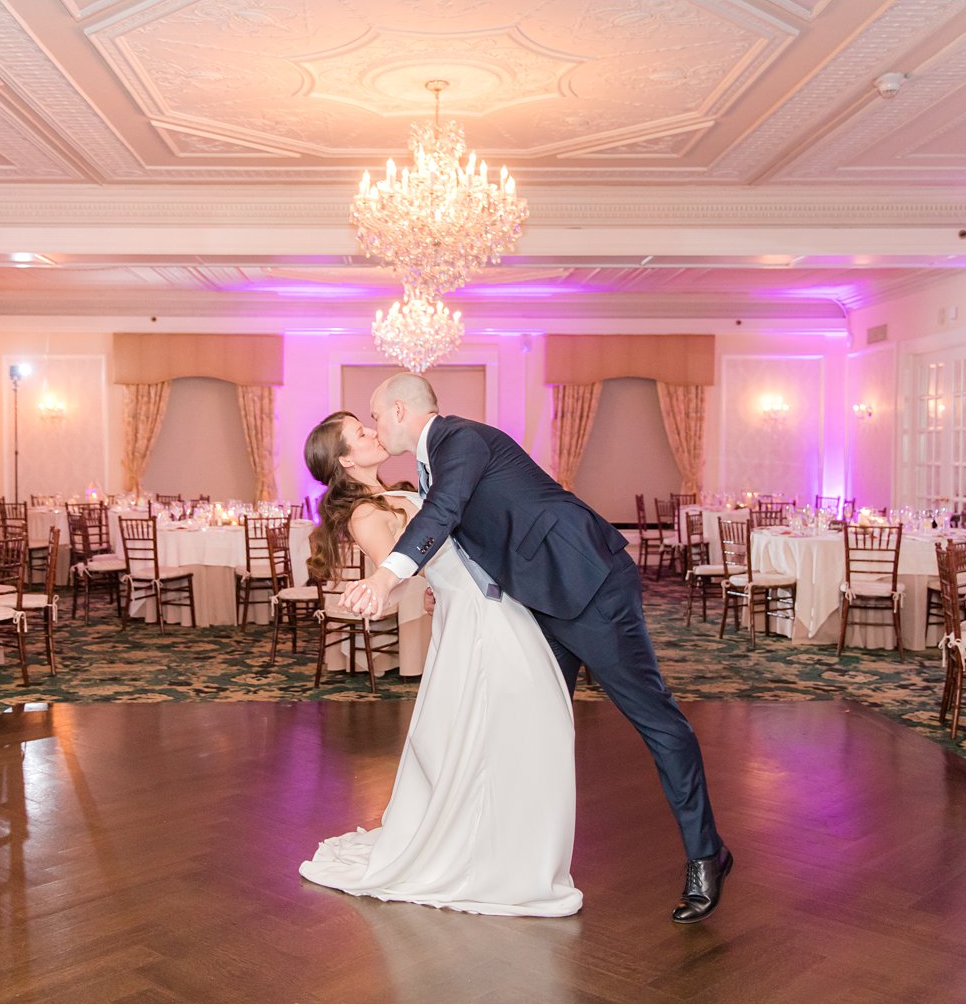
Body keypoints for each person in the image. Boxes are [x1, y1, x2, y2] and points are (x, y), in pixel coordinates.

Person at [340, 373, 732, 924]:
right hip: (537, 601)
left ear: (400, 410)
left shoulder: (461, 439)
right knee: (533, 724)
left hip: (590, 586)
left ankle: (705, 854)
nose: (375, 427)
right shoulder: (434, 463)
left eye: (376, 416)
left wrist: (385, 577)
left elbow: (446, 510)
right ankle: (515, 862)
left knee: (655, 719)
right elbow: (482, 528)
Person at [297, 411, 581, 917]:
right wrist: (406, 589)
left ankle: (509, 837)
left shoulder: (397, 489)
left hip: (489, 602)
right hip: (472, 612)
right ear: (345, 459)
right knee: (507, 720)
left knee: (523, 720)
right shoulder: (363, 513)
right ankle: (490, 846)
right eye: (360, 434)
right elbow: (403, 570)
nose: (372, 432)